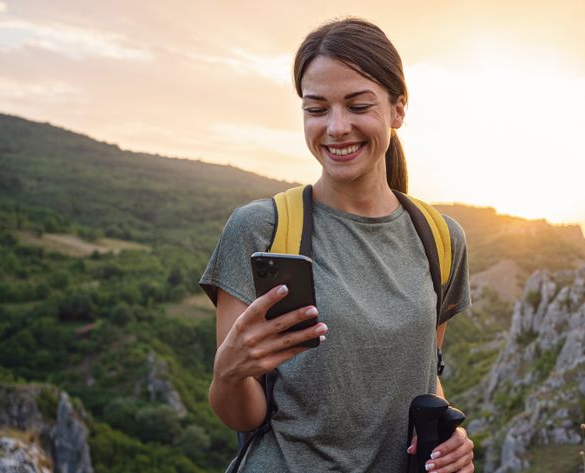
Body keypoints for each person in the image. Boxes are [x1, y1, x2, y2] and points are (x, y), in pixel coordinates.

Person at [199, 17, 475, 472]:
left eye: (357, 105)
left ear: (398, 110)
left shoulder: (441, 238)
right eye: (317, 109)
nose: (337, 127)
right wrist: (227, 374)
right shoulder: (259, 228)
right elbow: (242, 414)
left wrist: (449, 438)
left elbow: (423, 377)